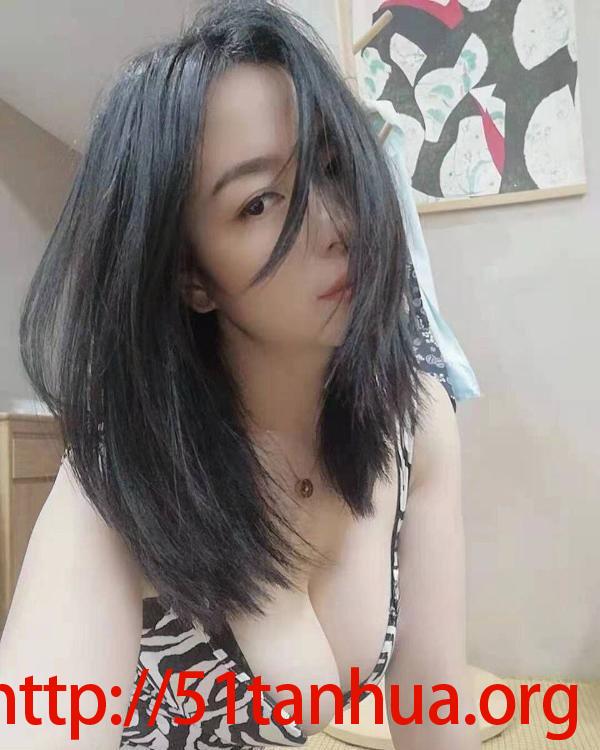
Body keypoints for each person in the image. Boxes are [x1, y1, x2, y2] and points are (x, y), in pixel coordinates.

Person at [0, 1, 481, 748]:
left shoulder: (412, 419)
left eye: (331, 167)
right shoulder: (125, 473)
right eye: (258, 203)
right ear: (192, 277)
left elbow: (434, 714)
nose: (334, 224)